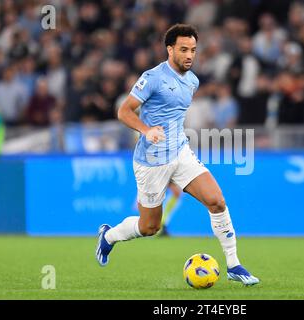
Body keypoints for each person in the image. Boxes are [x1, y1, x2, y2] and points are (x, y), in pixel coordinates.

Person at [96, 24, 259, 285]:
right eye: (183, 49)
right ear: (170, 49)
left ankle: (233, 265)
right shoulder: (153, 77)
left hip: (181, 153)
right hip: (151, 161)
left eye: (193, 50)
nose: (189, 55)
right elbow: (124, 112)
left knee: (216, 201)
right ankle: (109, 237)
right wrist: (146, 130)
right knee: (150, 227)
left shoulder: (192, 81)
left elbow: (174, 116)